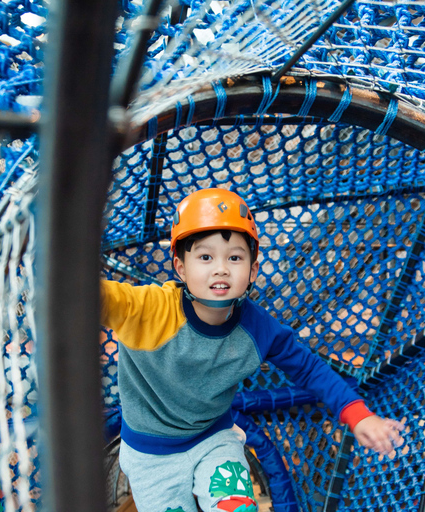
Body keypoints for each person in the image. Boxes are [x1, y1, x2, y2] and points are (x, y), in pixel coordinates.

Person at [100, 188, 404, 512]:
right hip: (151, 455)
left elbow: (309, 368)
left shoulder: (258, 330)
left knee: (239, 507)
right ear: (180, 267)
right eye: (205, 257)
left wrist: (359, 416)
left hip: (213, 439)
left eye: (235, 257)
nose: (221, 268)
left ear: (253, 271)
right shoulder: (148, 310)